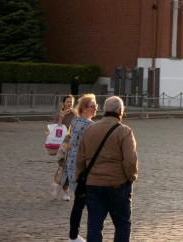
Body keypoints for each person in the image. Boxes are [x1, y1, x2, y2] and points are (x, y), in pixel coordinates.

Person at [76, 96, 138, 242]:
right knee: (122, 224)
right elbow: (130, 161)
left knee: (94, 226)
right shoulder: (124, 131)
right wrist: (131, 178)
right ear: (121, 111)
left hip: (93, 184)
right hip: (117, 184)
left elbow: (80, 158)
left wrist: (80, 179)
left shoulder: (90, 129)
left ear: (104, 110)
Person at [65, 94, 98, 242]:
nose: (96, 108)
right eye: (92, 106)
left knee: (79, 202)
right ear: (84, 109)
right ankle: (77, 236)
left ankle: (73, 235)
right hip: (84, 167)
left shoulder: (75, 120)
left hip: (73, 164)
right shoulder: (89, 125)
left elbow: (71, 141)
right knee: (85, 202)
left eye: (96, 105)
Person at [52, 94, 77, 200]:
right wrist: (61, 118)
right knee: (62, 165)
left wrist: (76, 115)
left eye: (71, 102)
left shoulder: (76, 114)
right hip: (63, 143)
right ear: (63, 103)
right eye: (67, 102)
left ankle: (59, 185)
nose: (69, 104)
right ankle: (61, 186)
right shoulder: (59, 114)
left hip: (73, 143)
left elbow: (78, 126)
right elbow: (57, 130)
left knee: (69, 167)